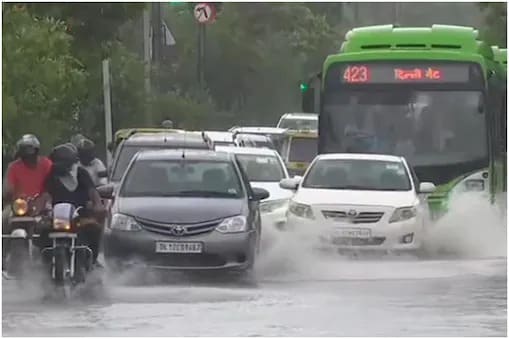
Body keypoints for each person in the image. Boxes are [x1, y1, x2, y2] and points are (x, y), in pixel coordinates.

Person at [44, 143, 106, 268]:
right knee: (41, 231)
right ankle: (44, 261)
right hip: (58, 217)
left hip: (80, 215)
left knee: (94, 229)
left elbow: (92, 192)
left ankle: (92, 259)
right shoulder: (52, 175)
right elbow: (46, 194)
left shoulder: (81, 173)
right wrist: (45, 207)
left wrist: (98, 205)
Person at [2, 134, 52, 277]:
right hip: (19, 207)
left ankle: (56, 256)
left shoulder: (46, 164)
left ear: (37, 150)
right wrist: (10, 194)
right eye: (24, 151)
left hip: (44, 204)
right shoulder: (13, 167)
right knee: (3, 219)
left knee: (60, 222)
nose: (28, 155)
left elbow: (53, 184)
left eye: (31, 150)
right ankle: (3, 256)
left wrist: (45, 198)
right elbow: (7, 189)